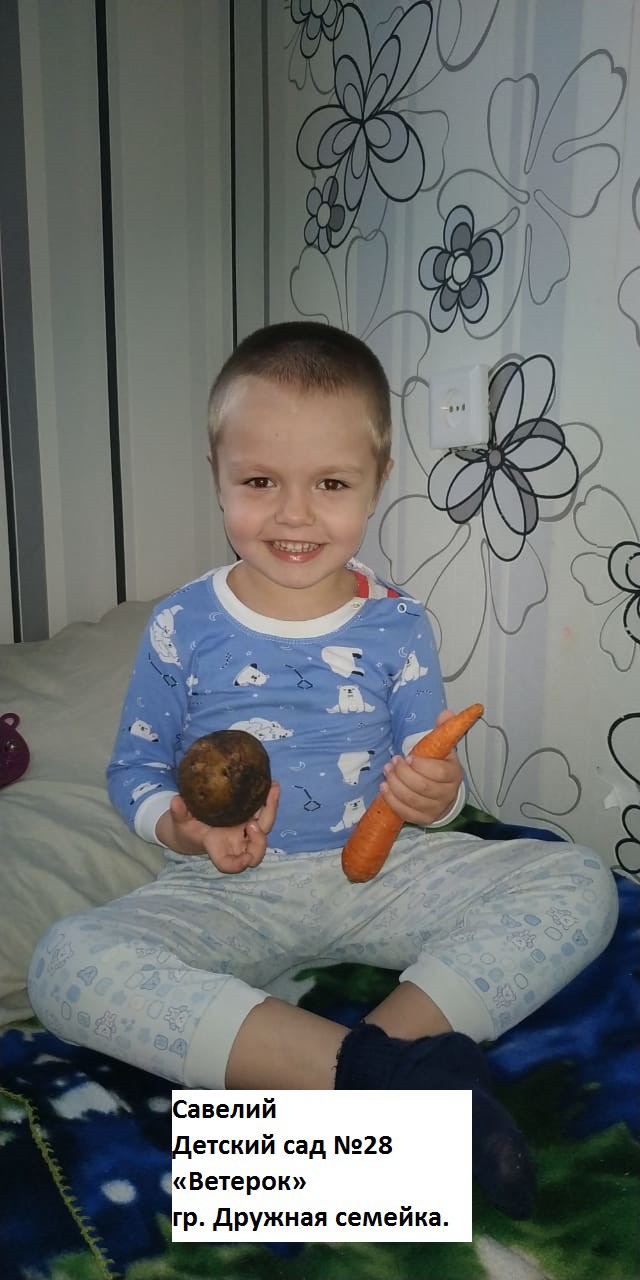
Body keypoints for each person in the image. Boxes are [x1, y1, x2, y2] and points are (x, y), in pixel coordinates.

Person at [28, 322, 619, 1220]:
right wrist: (180, 826)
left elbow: (426, 773)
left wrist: (436, 796)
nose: (294, 515)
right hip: (226, 889)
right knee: (65, 964)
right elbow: (135, 767)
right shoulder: (181, 625)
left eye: (331, 484)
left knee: (579, 881)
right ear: (218, 475)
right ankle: (392, 1088)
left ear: (377, 482)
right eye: (259, 482)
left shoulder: (398, 624)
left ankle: (368, 1074)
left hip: (380, 874)